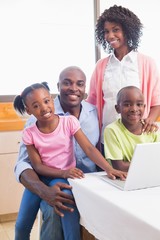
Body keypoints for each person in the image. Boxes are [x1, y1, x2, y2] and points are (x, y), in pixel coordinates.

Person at [14, 66, 126, 240]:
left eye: (79, 84)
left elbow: (90, 148)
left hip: (81, 179)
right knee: (27, 222)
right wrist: (45, 187)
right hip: (49, 177)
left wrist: (109, 169)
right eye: (67, 83)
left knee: (71, 206)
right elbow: (30, 164)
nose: (74, 88)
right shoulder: (30, 128)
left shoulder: (85, 115)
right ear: (58, 87)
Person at [87, 5, 160, 153]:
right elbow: (91, 105)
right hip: (108, 137)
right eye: (106, 31)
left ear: (127, 30)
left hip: (138, 137)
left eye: (115, 30)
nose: (110, 36)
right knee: (111, 174)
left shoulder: (147, 63)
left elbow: (156, 102)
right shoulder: (101, 66)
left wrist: (150, 120)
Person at [104, 86, 160, 172]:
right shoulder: (112, 130)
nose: (134, 109)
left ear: (144, 107)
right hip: (124, 178)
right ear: (117, 108)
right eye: (127, 105)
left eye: (139, 104)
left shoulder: (152, 129)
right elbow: (119, 167)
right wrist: (151, 163)